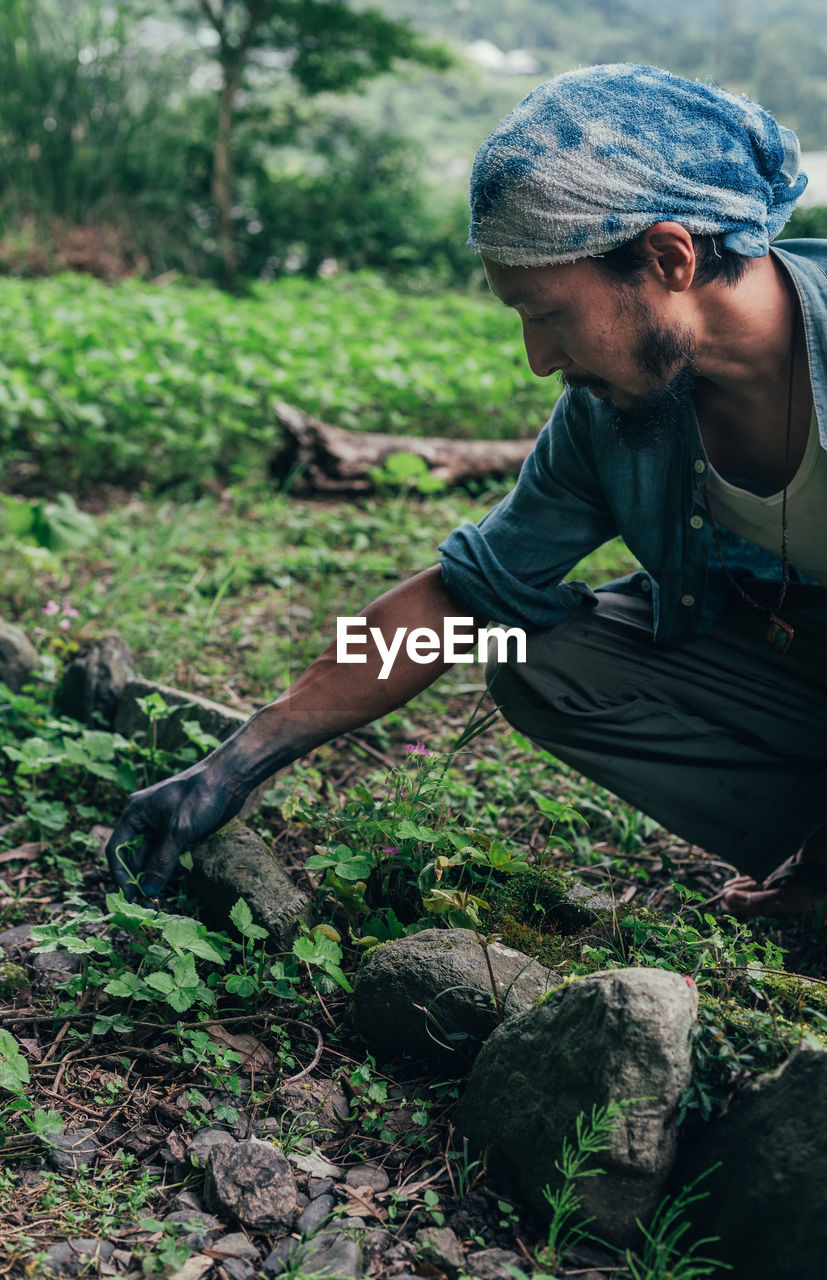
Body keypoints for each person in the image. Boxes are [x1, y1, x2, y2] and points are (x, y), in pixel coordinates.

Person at [107, 63, 827, 918]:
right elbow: (457, 600)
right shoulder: (613, 418)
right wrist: (230, 765)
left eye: (547, 312)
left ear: (668, 257)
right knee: (544, 658)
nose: (539, 357)